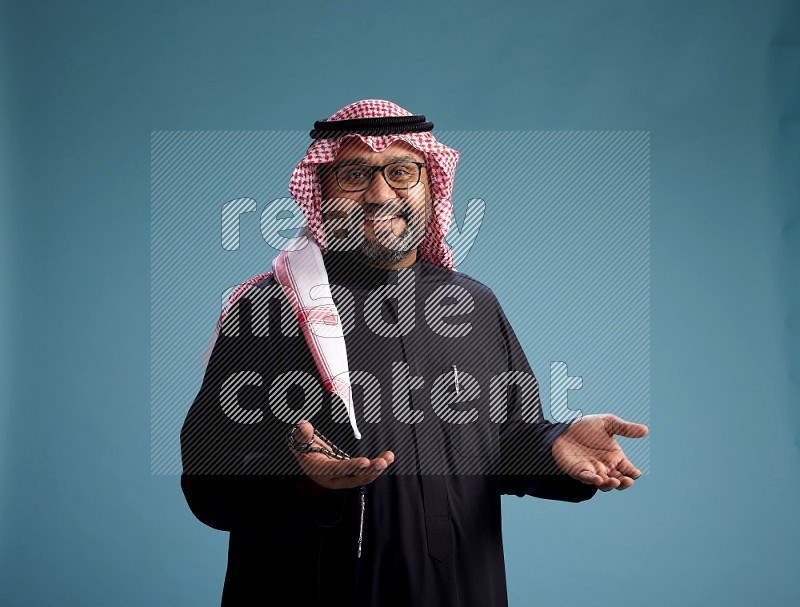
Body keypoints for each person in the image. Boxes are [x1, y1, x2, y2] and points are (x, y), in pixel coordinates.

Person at [180, 99, 649, 607]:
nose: (381, 195)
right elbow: (207, 477)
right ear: (322, 190)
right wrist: (303, 480)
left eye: (402, 171)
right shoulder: (272, 309)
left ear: (432, 184)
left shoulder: (473, 303)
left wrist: (555, 447)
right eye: (354, 175)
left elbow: (506, 442)